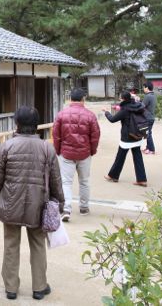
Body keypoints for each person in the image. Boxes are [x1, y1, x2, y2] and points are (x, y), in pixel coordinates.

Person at [0, 106, 64, 301]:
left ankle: (11, 288)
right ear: (36, 125)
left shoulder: (7, 146)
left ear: (17, 124)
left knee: (11, 244)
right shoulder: (47, 148)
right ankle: (39, 287)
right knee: (38, 244)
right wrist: (60, 203)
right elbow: (56, 179)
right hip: (38, 204)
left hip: (10, 202)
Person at [52, 88, 100, 222]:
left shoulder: (61, 114)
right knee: (84, 181)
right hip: (84, 153)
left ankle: (66, 209)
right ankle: (84, 207)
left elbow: (56, 135)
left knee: (66, 182)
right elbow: (95, 136)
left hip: (66, 153)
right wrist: (92, 151)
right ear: (83, 99)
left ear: (70, 99)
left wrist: (58, 151)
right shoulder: (90, 115)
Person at [102, 90, 148, 186]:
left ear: (123, 99)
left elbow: (112, 119)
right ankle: (142, 179)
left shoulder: (125, 109)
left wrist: (106, 112)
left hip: (127, 137)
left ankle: (113, 175)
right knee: (138, 157)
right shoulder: (137, 105)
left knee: (120, 157)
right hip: (137, 134)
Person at [142, 82, 157, 155]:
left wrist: (136, 101)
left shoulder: (147, 96)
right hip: (151, 117)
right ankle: (148, 147)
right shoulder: (153, 95)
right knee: (147, 133)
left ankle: (151, 149)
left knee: (148, 134)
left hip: (147, 117)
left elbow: (142, 106)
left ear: (147, 88)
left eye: (144, 87)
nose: (143, 89)